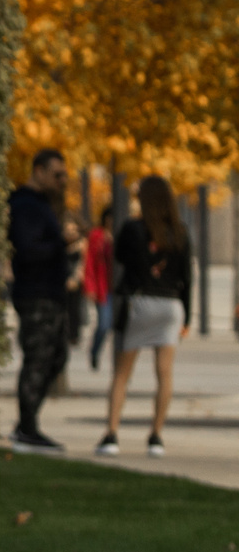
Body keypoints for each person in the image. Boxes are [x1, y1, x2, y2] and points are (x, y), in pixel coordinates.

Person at [98, 174, 194, 458]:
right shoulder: (180, 232)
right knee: (164, 373)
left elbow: (120, 258)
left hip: (140, 303)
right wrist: (186, 317)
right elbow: (188, 278)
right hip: (170, 305)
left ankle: (112, 433)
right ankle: (156, 436)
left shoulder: (132, 229)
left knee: (122, 373)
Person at [8, 149, 77, 453]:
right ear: (38, 171)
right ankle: (26, 427)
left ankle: (28, 423)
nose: (62, 181)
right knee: (38, 357)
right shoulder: (25, 205)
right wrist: (62, 241)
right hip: (35, 294)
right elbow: (28, 249)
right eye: (56, 174)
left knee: (57, 356)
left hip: (51, 293)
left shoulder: (44, 205)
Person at [84, 203, 115, 370]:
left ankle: (121, 365)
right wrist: (90, 287)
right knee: (104, 324)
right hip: (102, 287)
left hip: (119, 289)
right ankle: (95, 351)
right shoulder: (96, 236)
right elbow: (89, 262)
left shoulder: (122, 235)